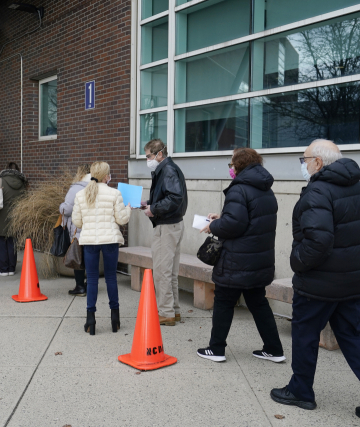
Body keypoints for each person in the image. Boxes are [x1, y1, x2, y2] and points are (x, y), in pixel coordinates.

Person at [270, 140, 360, 420]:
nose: (302, 165)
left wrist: (297, 263)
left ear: (318, 162)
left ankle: (301, 391)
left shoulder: (318, 190)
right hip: (351, 282)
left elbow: (319, 240)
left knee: (304, 334)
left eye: (304, 160)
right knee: (353, 336)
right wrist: (351, 268)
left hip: (317, 283)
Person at [197, 148, 284, 363]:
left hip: (237, 260)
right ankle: (274, 349)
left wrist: (214, 225)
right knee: (258, 303)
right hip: (258, 260)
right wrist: (223, 216)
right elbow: (249, 220)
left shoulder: (239, 189)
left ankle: (216, 349)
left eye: (232, 164)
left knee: (224, 302)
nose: (231, 168)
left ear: (239, 165)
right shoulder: (265, 189)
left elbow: (234, 225)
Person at [72, 161, 131, 335]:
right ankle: (115, 319)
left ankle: (90, 320)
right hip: (110, 240)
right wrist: (128, 209)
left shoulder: (81, 194)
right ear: (107, 176)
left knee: (91, 280)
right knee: (111, 278)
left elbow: (77, 221)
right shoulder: (115, 193)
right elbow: (122, 220)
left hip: (90, 241)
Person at [141, 139, 187, 326]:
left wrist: (154, 209)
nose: (147, 160)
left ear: (160, 154)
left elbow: (174, 198)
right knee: (170, 272)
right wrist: (149, 204)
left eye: (149, 156)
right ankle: (173, 310)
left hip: (166, 227)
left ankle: (166, 312)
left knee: (161, 272)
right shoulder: (170, 168)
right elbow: (172, 196)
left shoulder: (166, 170)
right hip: (173, 224)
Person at [0, 162, 27, 276]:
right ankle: (11, 268)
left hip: (0, 217)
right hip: (15, 218)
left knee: (0, 243)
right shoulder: (23, 184)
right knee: (12, 242)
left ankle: (3, 269)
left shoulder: (0, 181)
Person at [60, 164, 91, 296]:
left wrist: (60, 206)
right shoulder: (97, 187)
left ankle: (80, 287)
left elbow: (66, 209)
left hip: (78, 229)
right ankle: (90, 285)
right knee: (90, 258)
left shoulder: (76, 188)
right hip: (92, 228)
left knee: (77, 256)